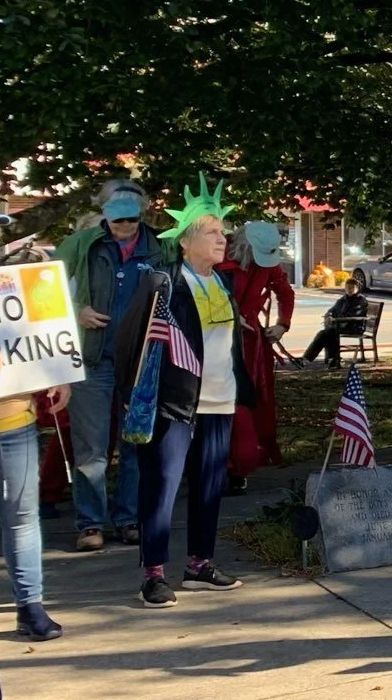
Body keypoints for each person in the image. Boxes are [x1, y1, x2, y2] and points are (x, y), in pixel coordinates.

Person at [112, 195, 256, 607]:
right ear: (185, 242)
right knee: (162, 487)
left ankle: (199, 565)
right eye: (211, 232)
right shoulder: (164, 282)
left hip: (219, 400)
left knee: (210, 487)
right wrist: (130, 394)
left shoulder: (222, 283)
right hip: (174, 404)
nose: (221, 239)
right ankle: (153, 574)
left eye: (222, 232)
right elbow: (130, 339)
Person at [56, 178, 165, 551]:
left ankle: (129, 517)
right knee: (91, 446)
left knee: (135, 440)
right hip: (92, 357)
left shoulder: (158, 248)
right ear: (103, 212)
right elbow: (43, 289)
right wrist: (76, 310)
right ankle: (90, 523)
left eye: (132, 220)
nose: (124, 227)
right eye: (117, 219)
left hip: (139, 359)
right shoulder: (79, 244)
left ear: (143, 213)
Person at [0, 209, 68, 640]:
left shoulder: (14, 287)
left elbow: (43, 339)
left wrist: (56, 374)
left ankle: (31, 607)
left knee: (21, 518)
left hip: (13, 420)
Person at [221, 221, 295, 494]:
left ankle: (243, 459)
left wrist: (282, 324)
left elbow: (284, 291)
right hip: (217, 337)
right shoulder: (219, 252)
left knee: (251, 399)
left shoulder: (268, 264)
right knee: (224, 400)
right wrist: (229, 314)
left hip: (251, 342)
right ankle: (226, 462)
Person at [301, 278, 369, 367]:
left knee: (328, 332)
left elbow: (353, 315)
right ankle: (330, 359)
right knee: (324, 333)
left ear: (357, 288)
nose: (350, 290)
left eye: (352, 288)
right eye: (348, 288)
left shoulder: (360, 300)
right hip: (340, 325)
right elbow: (332, 310)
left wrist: (337, 320)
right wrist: (329, 315)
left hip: (354, 326)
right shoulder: (343, 299)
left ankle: (329, 358)